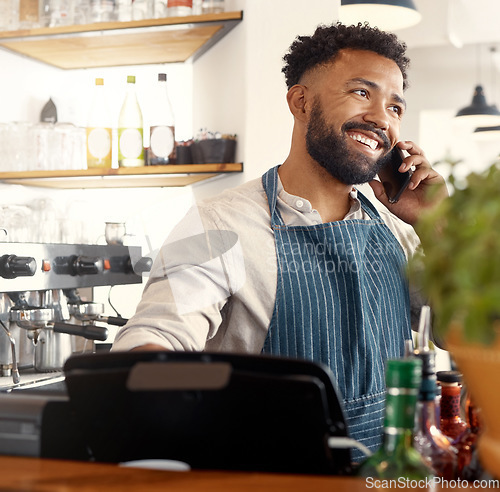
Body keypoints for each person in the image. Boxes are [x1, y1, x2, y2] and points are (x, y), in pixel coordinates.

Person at [113, 22, 447, 462]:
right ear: (300, 101)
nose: (383, 119)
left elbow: (467, 334)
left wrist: (440, 226)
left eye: (396, 106)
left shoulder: (400, 231)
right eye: (362, 93)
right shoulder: (215, 224)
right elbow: (148, 343)